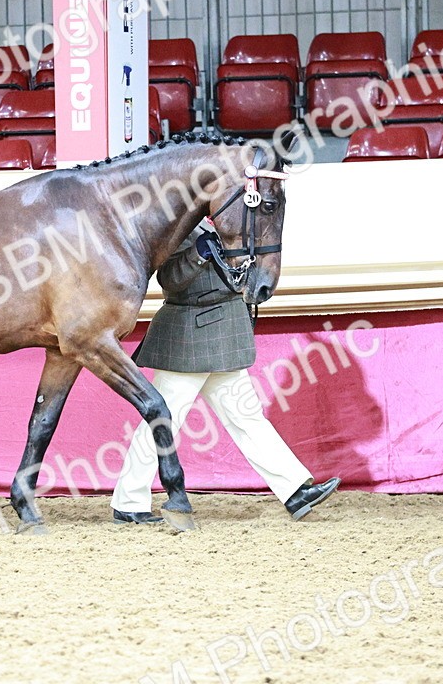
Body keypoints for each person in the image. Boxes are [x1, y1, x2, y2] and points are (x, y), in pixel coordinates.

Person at [111, 220, 340, 524]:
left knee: (247, 417)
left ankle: (294, 491)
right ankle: (129, 501)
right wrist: (199, 253)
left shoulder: (226, 227)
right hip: (190, 340)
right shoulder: (178, 227)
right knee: (164, 422)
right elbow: (168, 279)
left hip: (223, 334)